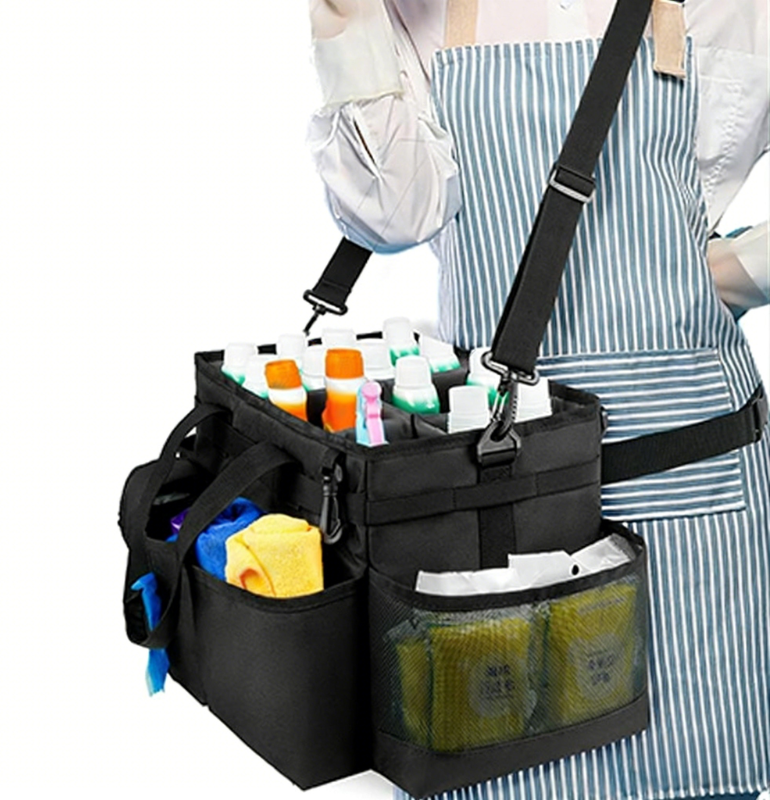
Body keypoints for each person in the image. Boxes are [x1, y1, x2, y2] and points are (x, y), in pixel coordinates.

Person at [306, 2, 770, 800]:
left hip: (689, 493)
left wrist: (728, 275)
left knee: (695, 770)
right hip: (498, 490)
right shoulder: (419, 10)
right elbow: (392, 214)